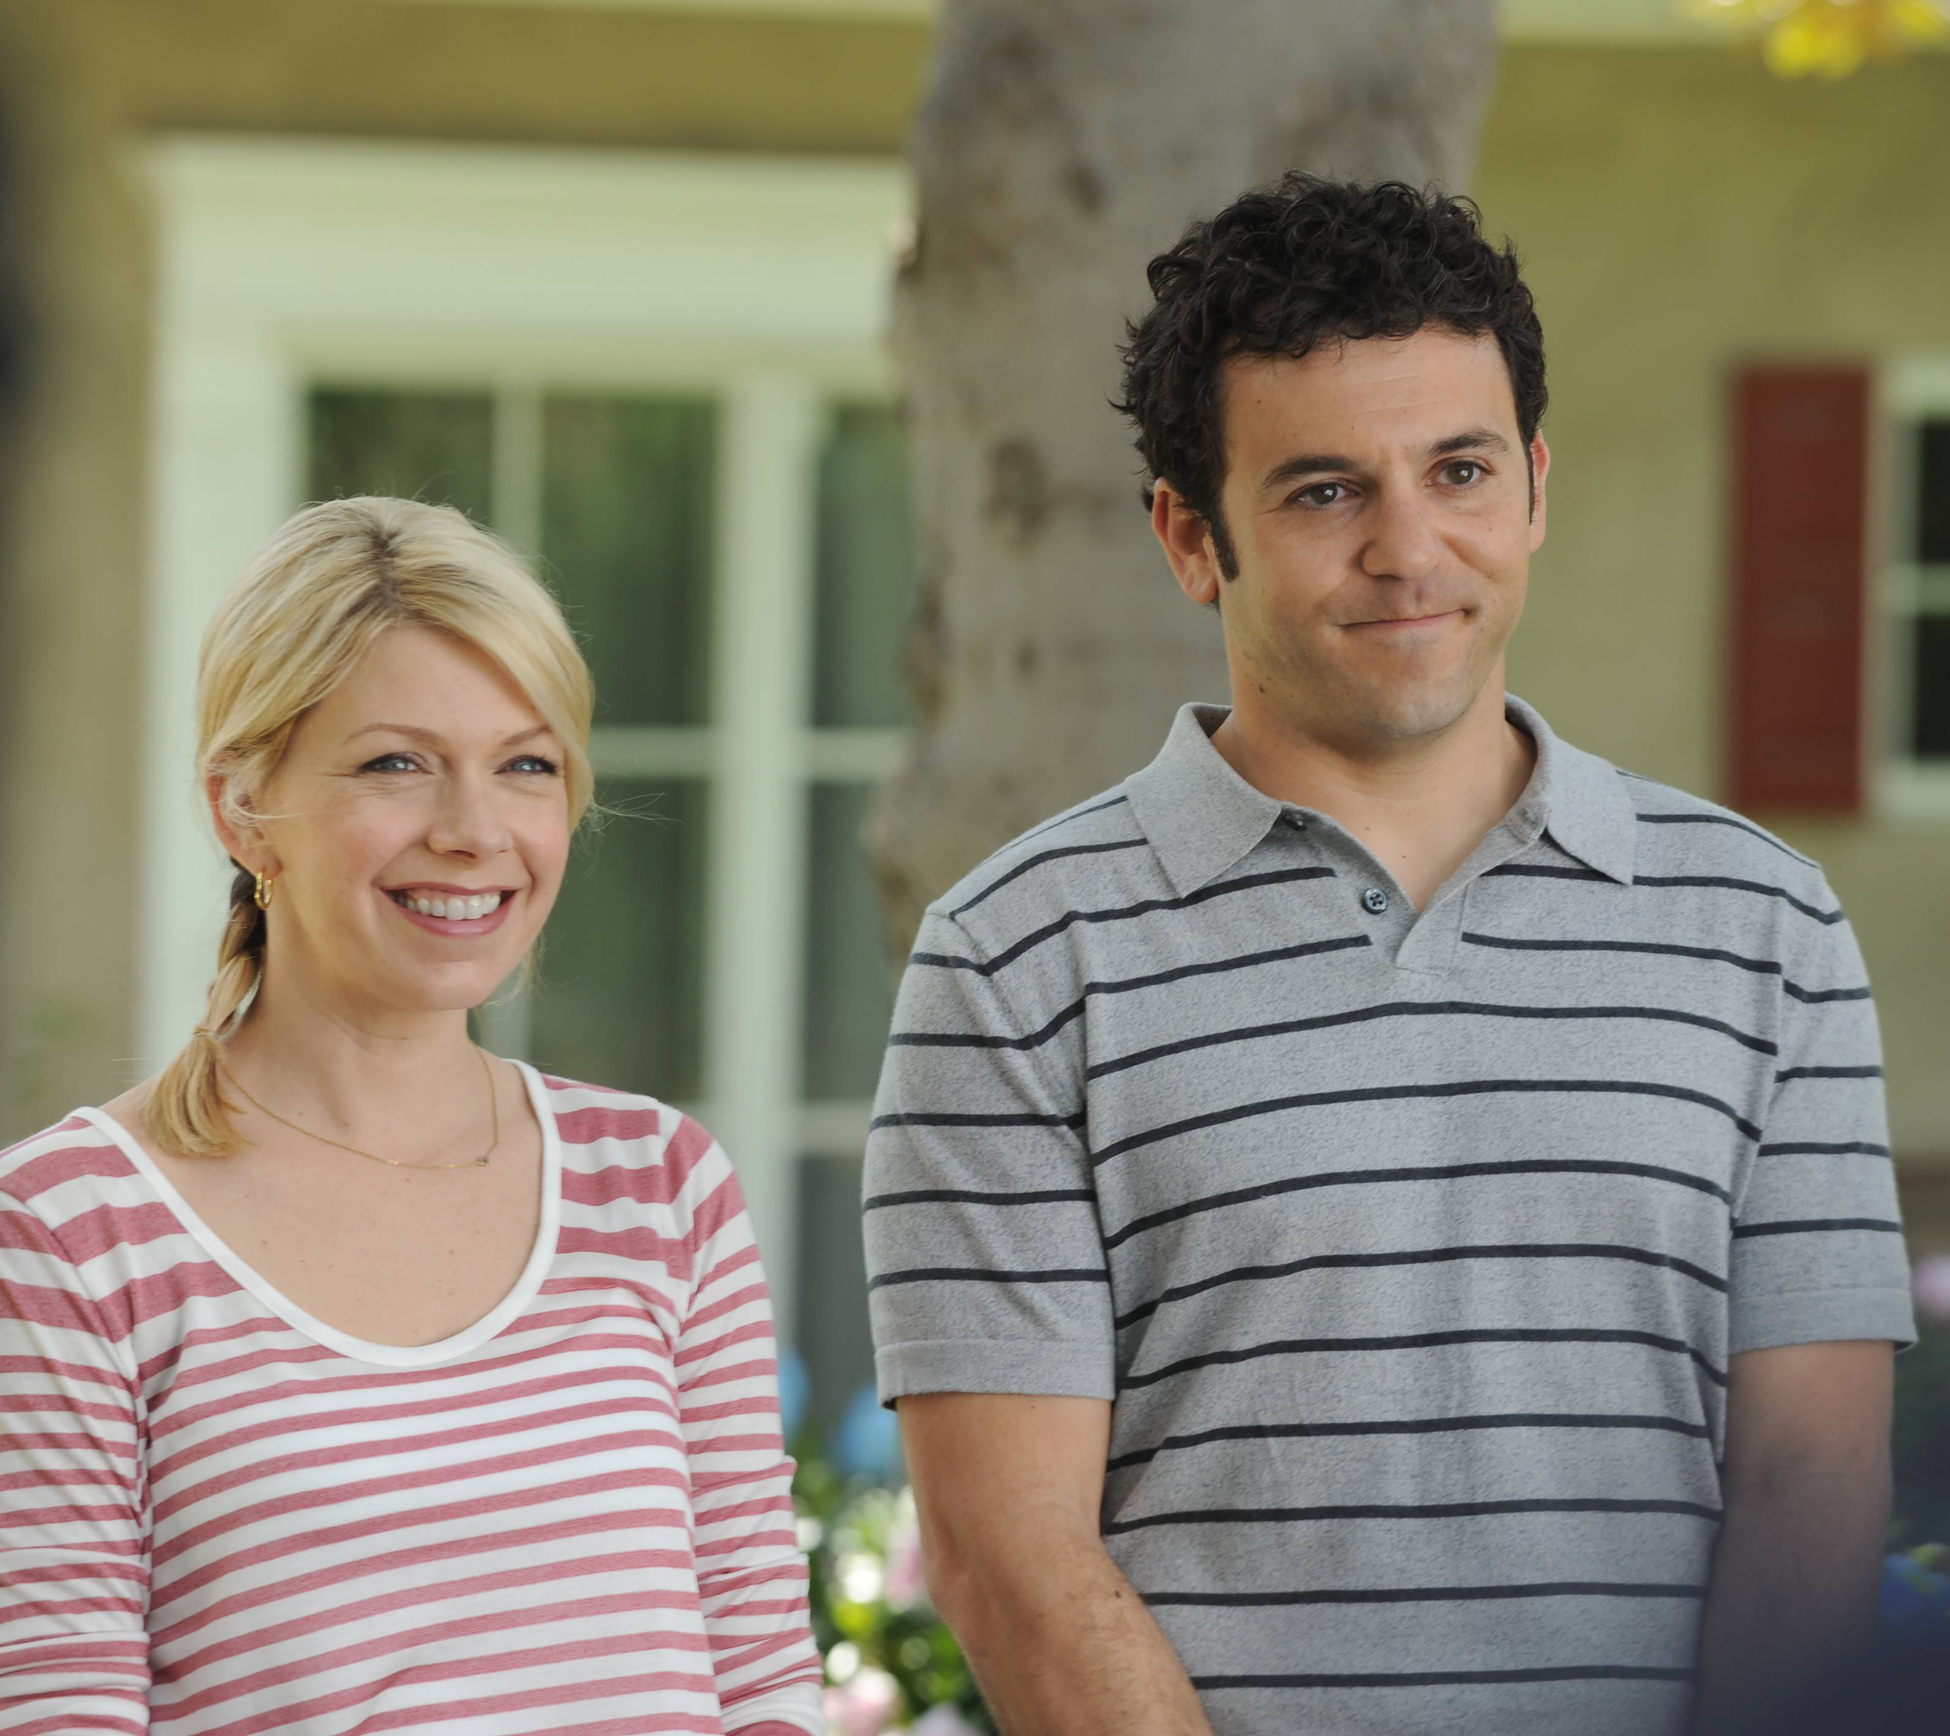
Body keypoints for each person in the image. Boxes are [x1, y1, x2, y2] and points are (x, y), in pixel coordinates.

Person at [862, 177, 1915, 1736]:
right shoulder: (1012, 962)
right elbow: (1008, 1559)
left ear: (1536, 487)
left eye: (1459, 469)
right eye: (1321, 492)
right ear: (1186, 535)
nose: (1409, 550)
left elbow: (1811, 1491)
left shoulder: (1762, 930)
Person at [0, 498, 821, 1735]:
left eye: (526, 765)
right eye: (397, 761)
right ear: (240, 806)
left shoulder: (658, 1181)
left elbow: (762, 1681)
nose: (474, 830)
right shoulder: (67, 1231)